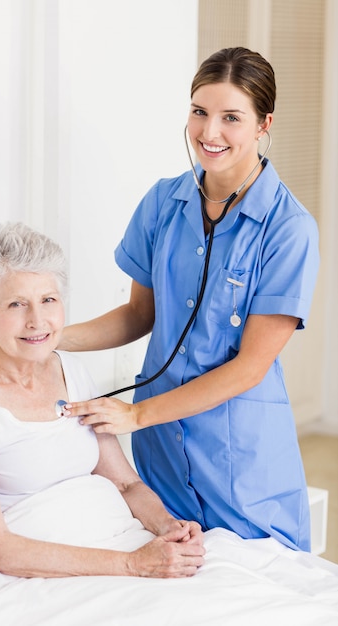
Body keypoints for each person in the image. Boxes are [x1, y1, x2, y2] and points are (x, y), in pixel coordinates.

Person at [57, 47, 320, 552]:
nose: (209, 132)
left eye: (231, 118)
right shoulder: (163, 202)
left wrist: (134, 416)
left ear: (264, 123)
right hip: (162, 456)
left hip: (241, 462)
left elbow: (250, 368)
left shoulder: (289, 229)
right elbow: (140, 315)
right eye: (199, 111)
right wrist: (50, 338)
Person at [0, 222, 205, 579]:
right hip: (41, 573)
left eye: (48, 300)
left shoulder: (71, 371)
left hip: (119, 540)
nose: (37, 321)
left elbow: (126, 484)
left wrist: (168, 527)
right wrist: (133, 565)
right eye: (16, 304)